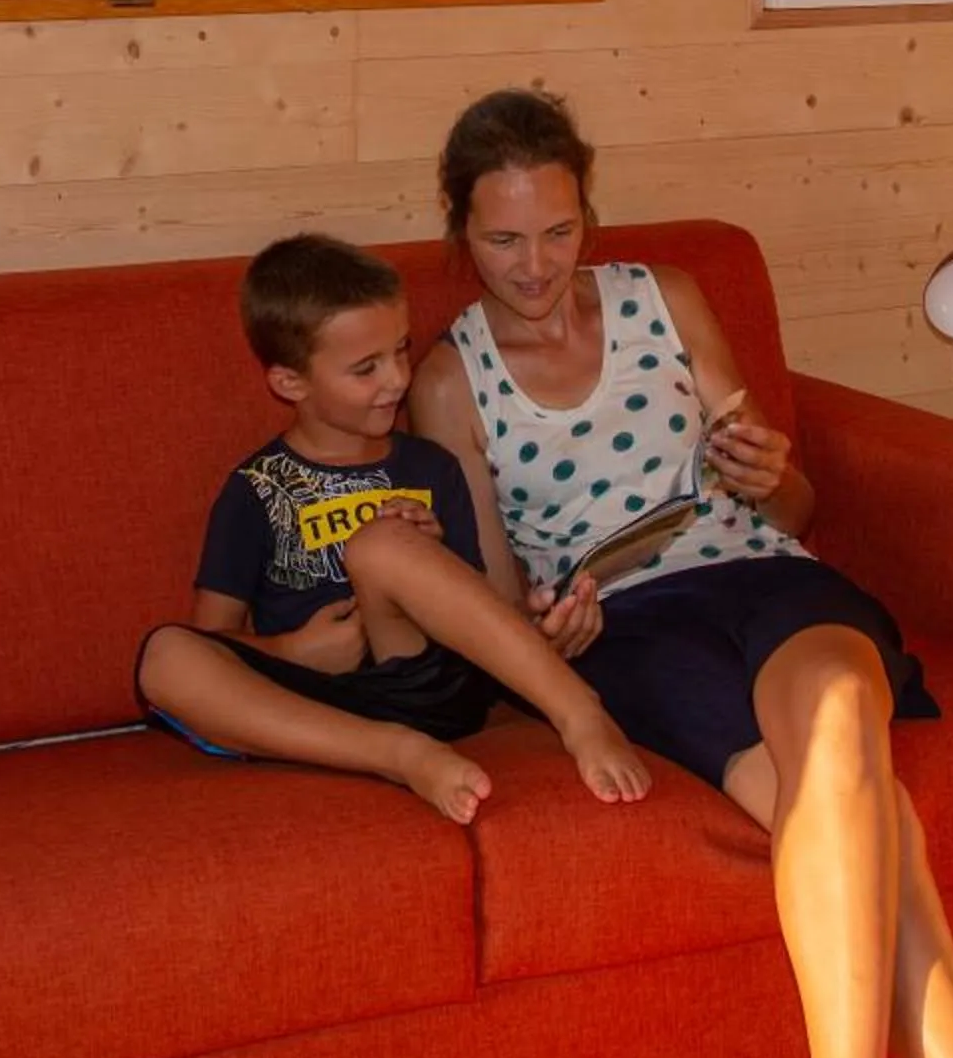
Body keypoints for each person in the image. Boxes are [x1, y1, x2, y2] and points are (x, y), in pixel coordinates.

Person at [408, 91, 953, 1058]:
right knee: (865, 809)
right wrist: (548, 632)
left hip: (763, 572)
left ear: (588, 217)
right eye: (503, 237)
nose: (533, 264)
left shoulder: (668, 296)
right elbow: (495, 611)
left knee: (838, 726)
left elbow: (792, 508)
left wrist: (768, 470)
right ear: (460, 230)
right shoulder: (448, 379)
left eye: (558, 231)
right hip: (629, 626)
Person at [133, 233, 651, 823]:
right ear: (289, 383)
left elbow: (481, 614)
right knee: (164, 655)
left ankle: (578, 711)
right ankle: (398, 756)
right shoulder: (254, 490)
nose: (398, 379)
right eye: (366, 368)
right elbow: (214, 639)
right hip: (319, 706)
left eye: (401, 351)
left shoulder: (429, 467)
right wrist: (293, 652)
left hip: (427, 680)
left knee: (381, 544)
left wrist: (430, 558)